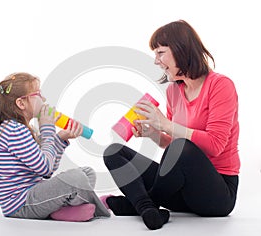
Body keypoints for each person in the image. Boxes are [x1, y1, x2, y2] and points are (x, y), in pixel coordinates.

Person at [102, 20, 240, 230]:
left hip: (217, 194)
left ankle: (137, 203)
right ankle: (148, 209)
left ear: (180, 50)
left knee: (181, 147)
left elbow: (214, 145)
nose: (156, 61)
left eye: (160, 53)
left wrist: (165, 124)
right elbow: (174, 149)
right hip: (182, 192)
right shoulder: (173, 91)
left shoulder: (220, 85)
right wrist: (153, 134)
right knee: (113, 152)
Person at [0, 72, 110, 221]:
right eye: (38, 94)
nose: (44, 99)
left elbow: (47, 171)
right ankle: (99, 207)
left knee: (87, 173)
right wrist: (47, 128)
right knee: (76, 178)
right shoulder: (14, 130)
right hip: (21, 205)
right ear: (21, 103)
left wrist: (60, 139)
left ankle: (60, 211)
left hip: (33, 195)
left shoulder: (21, 129)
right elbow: (45, 167)